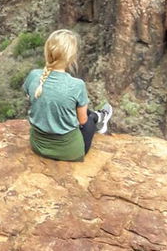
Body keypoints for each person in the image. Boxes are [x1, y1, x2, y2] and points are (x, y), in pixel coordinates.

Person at [22, 29, 113, 161]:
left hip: (38, 146)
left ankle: (99, 117)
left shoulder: (34, 75)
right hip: (70, 152)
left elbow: (32, 98)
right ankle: (99, 118)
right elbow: (82, 121)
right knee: (88, 120)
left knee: (73, 106)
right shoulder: (77, 85)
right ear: (71, 57)